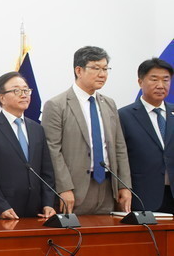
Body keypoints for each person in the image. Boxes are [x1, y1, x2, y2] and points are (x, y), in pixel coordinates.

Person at [41, 46, 132, 215]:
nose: (102, 74)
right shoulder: (57, 105)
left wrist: (124, 185)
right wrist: (64, 187)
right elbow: (52, 150)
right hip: (74, 189)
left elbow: (120, 147)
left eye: (105, 69)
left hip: (108, 188)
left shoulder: (109, 104)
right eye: (96, 68)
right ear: (79, 70)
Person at [0, 72, 56, 219]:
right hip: (5, 210)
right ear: (2, 98)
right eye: (17, 91)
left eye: (26, 90)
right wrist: (1, 206)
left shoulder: (37, 129)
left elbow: (47, 171)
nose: (24, 95)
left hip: (37, 210)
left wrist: (48, 203)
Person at [119, 58, 174, 213]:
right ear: (140, 82)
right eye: (154, 79)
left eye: (166, 80)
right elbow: (120, 157)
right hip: (143, 196)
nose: (160, 85)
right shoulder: (124, 115)